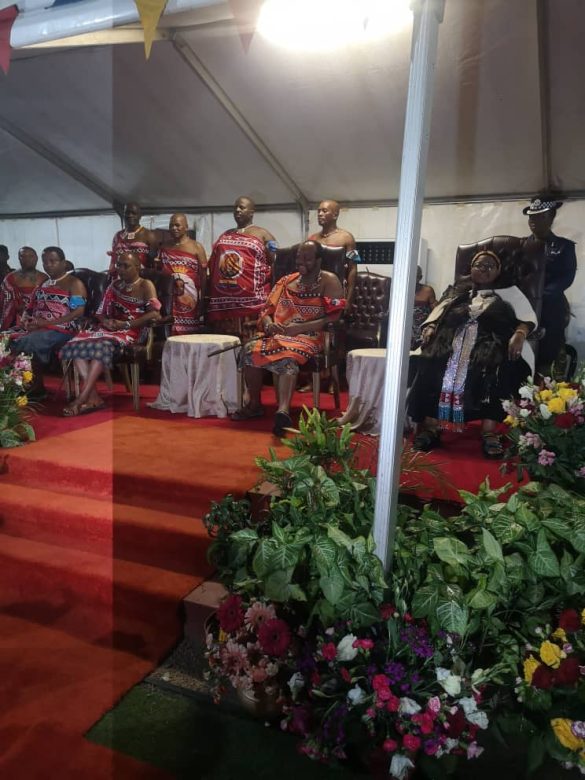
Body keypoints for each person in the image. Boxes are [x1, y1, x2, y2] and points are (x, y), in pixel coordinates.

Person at [409, 250, 537, 459]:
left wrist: (520, 334)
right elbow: (438, 313)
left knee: (494, 367)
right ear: (470, 268)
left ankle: (489, 432)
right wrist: (431, 326)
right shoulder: (458, 290)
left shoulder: (511, 292)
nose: (484, 269)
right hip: (450, 341)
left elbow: (527, 319)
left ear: (498, 270)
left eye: (490, 266)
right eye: (479, 265)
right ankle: (431, 427)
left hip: (490, 343)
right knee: (432, 362)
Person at [231, 240, 345, 436]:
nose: (301, 262)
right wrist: (269, 325)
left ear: (319, 260)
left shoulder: (329, 281)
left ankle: (283, 411)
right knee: (250, 351)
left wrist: (299, 328)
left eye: (307, 258)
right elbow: (267, 311)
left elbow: (334, 317)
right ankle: (254, 404)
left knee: (288, 356)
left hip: (310, 337)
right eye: (299, 258)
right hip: (278, 335)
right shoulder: (285, 281)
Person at [61, 251, 161, 416]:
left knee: (101, 348)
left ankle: (81, 399)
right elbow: (100, 312)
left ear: (137, 267)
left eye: (126, 266)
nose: (120, 269)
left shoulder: (145, 285)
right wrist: (106, 321)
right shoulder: (114, 285)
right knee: (75, 345)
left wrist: (125, 324)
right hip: (108, 329)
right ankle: (93, 398)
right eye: (118, 265)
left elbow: (154, 314)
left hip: (130, 331)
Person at [4, 246, 87, 399]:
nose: (48, 265)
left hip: (63, 328)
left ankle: (34, 387)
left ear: (63, 263)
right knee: (4, 338)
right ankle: (13, 384)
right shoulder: (44, 284)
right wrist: (25, 320)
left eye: (52, 261)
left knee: (30, 341)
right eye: (45, 262)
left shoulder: (73, 283)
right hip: (37, 327)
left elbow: (78, 312)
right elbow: (29, 309)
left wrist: (47, 323)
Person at [207, 196, 277, 339]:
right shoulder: (225, 234)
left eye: (242, 207)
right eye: (235, 207)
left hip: (252, 305)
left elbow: (274, 262)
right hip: (223, 305)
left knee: (249, 345)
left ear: (251, 212)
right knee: (224, 345)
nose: (237, 210)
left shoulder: (264, 235)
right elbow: (213, 262)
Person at [523, 196, 577, 377]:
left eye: (540, 216)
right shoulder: (521, 246)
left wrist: (540, 295)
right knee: (522, 360)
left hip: (551, 308)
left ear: (552, 216)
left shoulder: (564, 247)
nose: (534, 221)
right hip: (523, 308)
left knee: (550, 359)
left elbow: (566, 278)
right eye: (531, 216)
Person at [157, 213, 207, 335]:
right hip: (169, 301)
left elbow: (203, 277)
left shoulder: (196, 247)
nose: (174, 228)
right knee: (169, 334)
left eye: (177, 225)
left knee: (189, 337)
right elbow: (159, 273)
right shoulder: (164, 247)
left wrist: (202, 301)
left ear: (186, 227)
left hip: (190, 299)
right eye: (171, 225)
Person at [309, 199, 359, 312]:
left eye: (324, 211)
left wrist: (349, 299)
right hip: (314, 291)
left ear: (335, 215)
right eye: (318, 211)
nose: (320, 214)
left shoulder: (347, 238)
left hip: (337, 290)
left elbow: (353, 268)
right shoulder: (312, 239)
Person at [0, 247, 47, 330]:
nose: (27, 259)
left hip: (40, 322)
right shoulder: (10, 279)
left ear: (36, 258)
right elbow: (3, 305)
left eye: (31, 256)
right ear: (19, 258)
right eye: (23, 256)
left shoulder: (45, 278)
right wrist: (17, 306)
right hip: (14, 325)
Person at [109, 202, 160, 276]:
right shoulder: (117, 236)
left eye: (133, 213)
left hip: (141, 278)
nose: (130, 215)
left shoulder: (149, 235)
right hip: (120, 278)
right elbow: (113, 261)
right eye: (127, 213)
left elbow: (153, 264)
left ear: (140, 216)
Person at [411, 265, 437, 349]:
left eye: (414, 277)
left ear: (420, 277)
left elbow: (436, 311)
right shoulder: (401, 289)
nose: (411, 279)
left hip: (422, 328)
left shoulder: (427, 291)